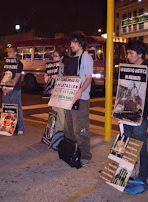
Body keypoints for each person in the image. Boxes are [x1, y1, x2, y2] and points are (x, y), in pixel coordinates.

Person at [123, 40, 148, 188]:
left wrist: (144, 114)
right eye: (128, 53)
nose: (128, 56)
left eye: (131, 53)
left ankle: (144, 175)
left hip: (139, 117)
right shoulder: (127, 69)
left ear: (140, 54)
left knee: (141, 146)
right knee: (127, 144)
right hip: (126, 114)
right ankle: (127, 172)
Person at [63, 31, 93, 166]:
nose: (71, 45)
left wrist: (80, 91)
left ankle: (85, 154)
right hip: (69, 97)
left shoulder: (86, 58)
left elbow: (88, 78)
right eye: (71, 42)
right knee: (69, 126)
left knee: (80, 127)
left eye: (73, 42)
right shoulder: (71, 58)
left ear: (80, 43)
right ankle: (72, 151)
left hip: (81, 98)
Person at [2, 46, 25, 134]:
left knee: (17, 108)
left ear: (15, 53)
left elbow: (17, 77)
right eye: (8, 52)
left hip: (14, 89)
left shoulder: (19, 64)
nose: (9, 54)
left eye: (11, 52)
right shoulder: (6, 63)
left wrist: (9, 87)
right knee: (7, 108)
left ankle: (20, 128)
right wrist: (3, 86)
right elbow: (4, 76)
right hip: (5, 88)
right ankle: (8, 126)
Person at [44, 50, 66, 132]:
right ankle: (56, 131)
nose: (54, 58)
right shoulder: (51, 67)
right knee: (54, 112)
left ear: (61, 58)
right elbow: (48, 82)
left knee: (61, 113)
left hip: (60, 93)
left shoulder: (62, 67)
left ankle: (63, 131)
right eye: (53, 56)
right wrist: (46, 76)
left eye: (56, 56)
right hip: (53, 93)